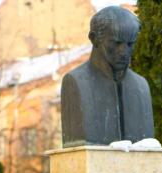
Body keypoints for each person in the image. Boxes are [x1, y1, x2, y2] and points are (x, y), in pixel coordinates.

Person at [60, 5, 154, 146]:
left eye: (130, 44)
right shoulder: (75, 82)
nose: (124, 52)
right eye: (116, 43)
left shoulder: (141, 86)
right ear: (94, 39)